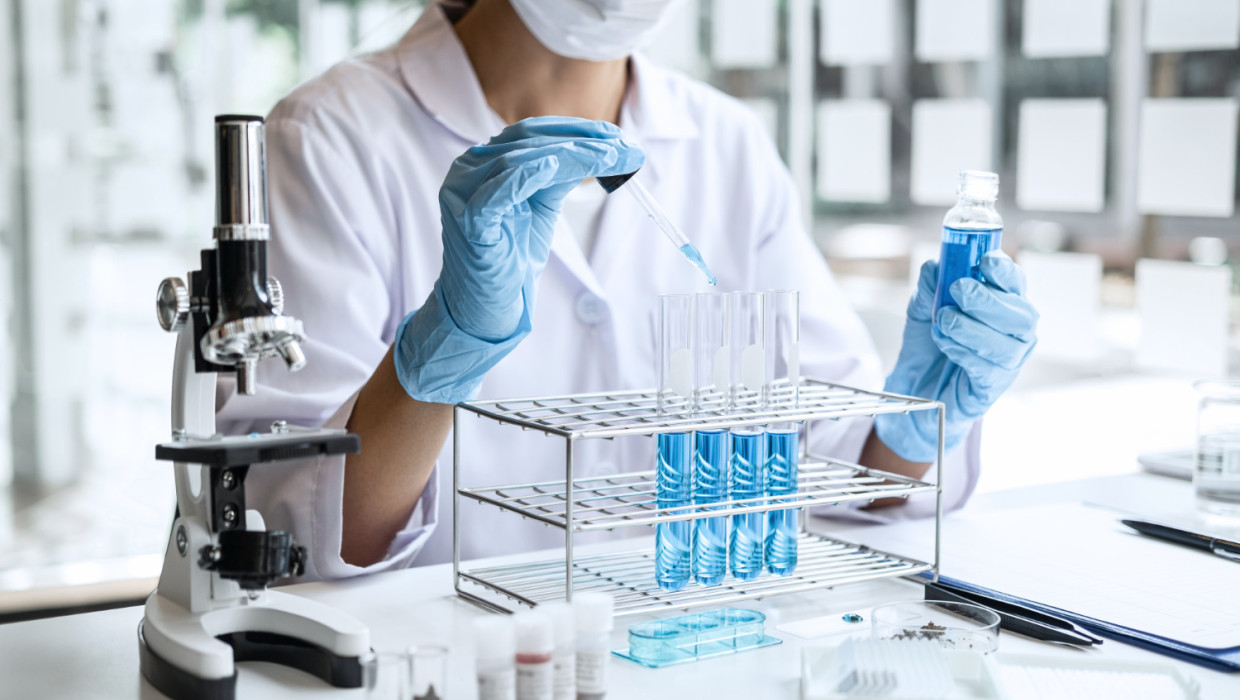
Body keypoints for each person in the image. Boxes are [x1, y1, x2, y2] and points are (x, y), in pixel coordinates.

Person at [216, 0, 1038, 581]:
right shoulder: (330, 136)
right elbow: (299, 530)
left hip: (687, 645)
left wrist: (921, 422)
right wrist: (441, 353)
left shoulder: (726, 143)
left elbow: (834, 458)